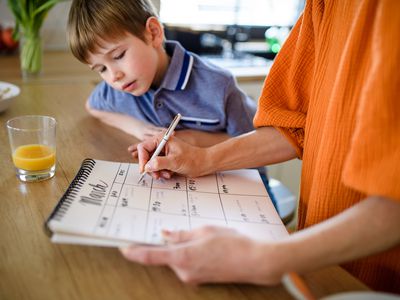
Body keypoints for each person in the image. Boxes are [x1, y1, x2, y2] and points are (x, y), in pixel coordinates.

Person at [120, 0, 400, 294]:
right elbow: (291, 127)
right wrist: (203, 158)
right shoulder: (324, 5)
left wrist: (267, 258)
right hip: (319, 260)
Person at [67, 0, 277, 204]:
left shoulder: (217, 85)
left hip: (242, 185)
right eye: (101, 69)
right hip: (182, 193)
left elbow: (256, 144)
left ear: (153, 33)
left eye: (119, 55)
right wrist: (138, 128)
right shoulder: (121, 88)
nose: (113, 76)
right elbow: (93, 106)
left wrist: (192, 139)